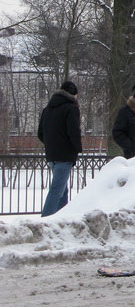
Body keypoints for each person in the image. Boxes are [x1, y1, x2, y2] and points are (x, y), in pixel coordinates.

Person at [37, 80, 82, 217]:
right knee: (57, 190)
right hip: (65, 155)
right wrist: (77, 148)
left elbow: (40, 133)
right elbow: (73, 131)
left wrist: (51, 145)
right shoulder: (71, 108)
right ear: (74, 95)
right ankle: (45, 220)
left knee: (63, 190)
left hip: (51, 155)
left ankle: (62, 217)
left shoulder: (47, 109)